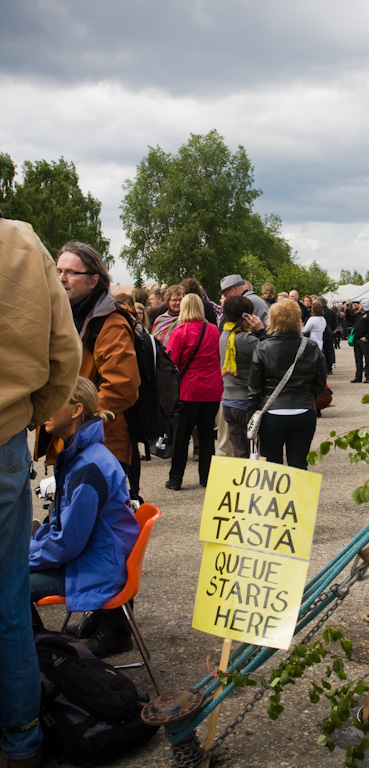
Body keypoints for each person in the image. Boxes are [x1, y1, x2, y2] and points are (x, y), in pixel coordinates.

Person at [0, 214, 81, 768]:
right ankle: (22, 739)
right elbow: (64, 357)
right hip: (4, 433)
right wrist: (28, 415)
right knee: (7, 601)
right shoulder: (18, 243)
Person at [54, 241, 141, 656]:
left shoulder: (107, 321)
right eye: (59, 270)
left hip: (105, 445)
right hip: (79, 442)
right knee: (84, 532)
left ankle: (114, 625)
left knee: (108, 538)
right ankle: (101, 611)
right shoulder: (73, 315)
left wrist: (79, 418)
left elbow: (122, 387)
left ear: (94, 279)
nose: (62, 278)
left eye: (71, 272)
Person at [30, 378, 139, 647]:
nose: (43, 410)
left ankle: (39, 651)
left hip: (95, 566)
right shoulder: (85, 455)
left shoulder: (88, 465)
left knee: (8, 581)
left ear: (76, 410)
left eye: (52, 402)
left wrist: (23, 557)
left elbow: (68, 543)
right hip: (97, 559)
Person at [248, 299, 327, 470]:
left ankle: (275, 498)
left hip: (272, 411)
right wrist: (308, 397)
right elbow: (320, 383)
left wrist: (251, 414)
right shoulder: (311, 347)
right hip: (303, 409)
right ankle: (298, 497)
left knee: (272, 466)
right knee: (299, 463)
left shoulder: (262, 348)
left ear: (273, 320)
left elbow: (255, 388)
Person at [165, 294, 223, 490]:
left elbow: (171, 364)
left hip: (189, 390)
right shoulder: (214, 330)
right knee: (207, 434)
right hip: (212, 389)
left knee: (182, 437)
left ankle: (176, 478)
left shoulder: (180, 331)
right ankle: (207, 477)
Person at [219, 296, 267, 457]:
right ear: (246, 316)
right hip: (245, 401)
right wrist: (261, 330)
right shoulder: (245, 339)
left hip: (228, 401)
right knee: (255, 451)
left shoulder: (224, 335)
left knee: (240, 452)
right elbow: (269, 353)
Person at [349, 298, 369, 383]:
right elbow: (350, 319)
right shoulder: (359, 314)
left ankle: (368, 376)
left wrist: (367, 337)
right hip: (357, 339)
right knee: (358, 358)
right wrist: (347, 310)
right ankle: (358, 375)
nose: (359, 306)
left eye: (361, 304)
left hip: (365, 340)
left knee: (367, 358)